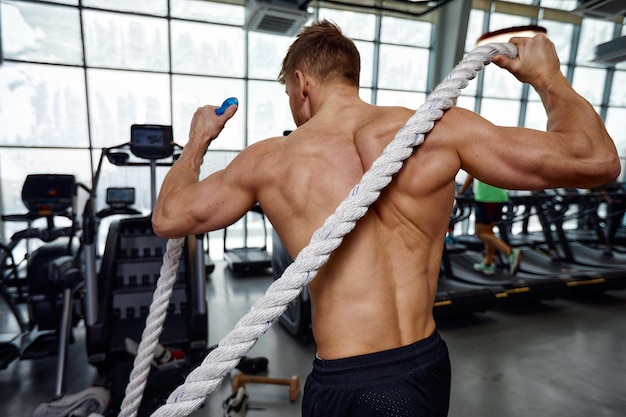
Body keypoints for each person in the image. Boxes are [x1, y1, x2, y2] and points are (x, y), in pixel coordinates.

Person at [152, 20, 619, 417]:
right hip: (426, 365)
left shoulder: (270, 161)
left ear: (301, 84)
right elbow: (595, 159)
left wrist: (198, 140)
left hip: (348, 381)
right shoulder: (440, 130)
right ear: (351, 76)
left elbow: (169, 216)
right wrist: (547, 76)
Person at [458, 174, 522, 276]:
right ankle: (488, 262)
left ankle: (510, 252)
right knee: (489, 232)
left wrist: (460, 192)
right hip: (499, 195)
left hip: (486, 197)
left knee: (481, 233)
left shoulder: (477, 158)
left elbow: (471, 176)